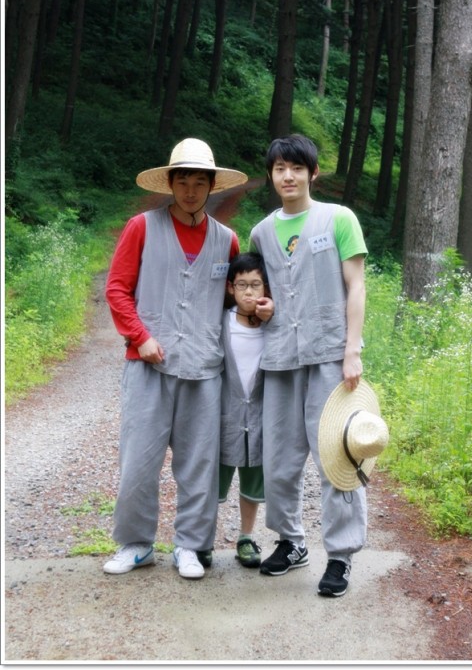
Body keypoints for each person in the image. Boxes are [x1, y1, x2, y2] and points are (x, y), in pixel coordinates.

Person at [103, 138, 247, 580]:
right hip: (149, 364)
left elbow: (234, 298)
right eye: (182, 181)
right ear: (170, 183)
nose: (190, 191)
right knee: (138, 461)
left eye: (199, 182)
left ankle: (191, 545)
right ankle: (136, 544)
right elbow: (117, 288)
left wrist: (256, 308)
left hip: (204, 368)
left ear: (211, 186)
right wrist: (140, 336)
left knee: (200, 464)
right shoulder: (142, 227)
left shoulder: (227, 241)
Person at [249, 133, 368, 597]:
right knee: (279, 457)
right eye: (280, 168)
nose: (288, 176)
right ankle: (291, 541)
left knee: (337, 456)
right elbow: (260, 294)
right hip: (280, 357)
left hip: (329, 355)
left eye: (297, 168)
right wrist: (261, 309)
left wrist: (352, 349)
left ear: (312, 173)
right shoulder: (261, 232)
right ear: (271, 175)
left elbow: (356, 286)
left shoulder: (339, 219)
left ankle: (340, 556)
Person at [219, 253, 273, 568]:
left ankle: (246, 537)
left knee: (254, 478)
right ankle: (202, 539)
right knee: (214, 478)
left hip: (259, 416)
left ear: (266, 287)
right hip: (224, 415)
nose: (249, 292)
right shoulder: (222, 322)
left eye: (256, 284)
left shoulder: (273, 325)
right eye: (242, 285)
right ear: (231, 287)